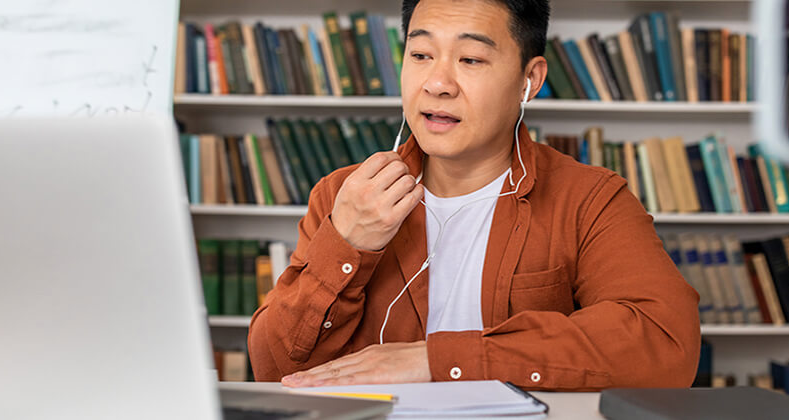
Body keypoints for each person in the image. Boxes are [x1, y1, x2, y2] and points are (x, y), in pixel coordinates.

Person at [247, 0, 700, 391]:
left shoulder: (590, 198)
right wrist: (346, 242)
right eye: (420, 54)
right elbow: (276, 370)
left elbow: (664, 340)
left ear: (530, 79)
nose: (437, 83)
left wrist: (433, 360)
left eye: (471, 60)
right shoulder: (345, 194)